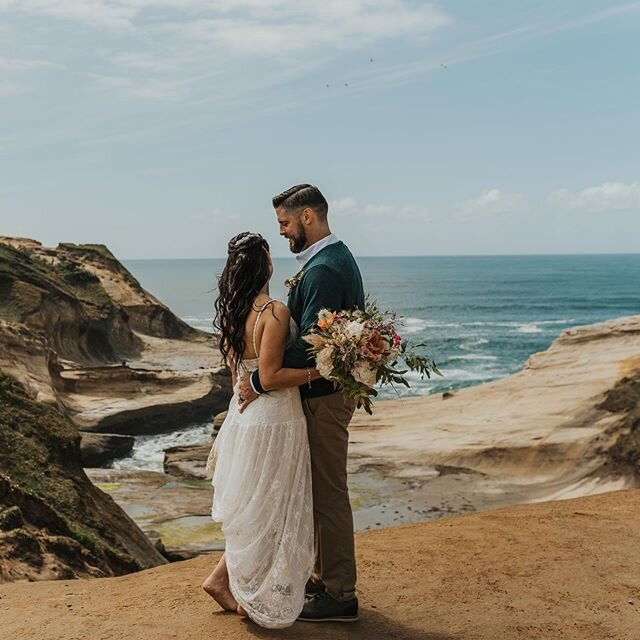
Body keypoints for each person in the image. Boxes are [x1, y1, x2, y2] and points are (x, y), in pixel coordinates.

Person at [238, 184, 365, 623]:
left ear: (308, 217)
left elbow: (314, 346)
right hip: (322, 395)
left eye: (286, 224)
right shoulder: (330, 259)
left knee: (328, 494)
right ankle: (322, 577)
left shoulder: (324, 270)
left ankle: (340, 595)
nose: (283, 232)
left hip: (322, 399)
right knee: (317, 491)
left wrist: (260, 377)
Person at [201, 231, 322, 629]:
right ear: (266, 264)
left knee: (258, 508)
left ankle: (222, 580)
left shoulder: (234, 312)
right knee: (270, 510)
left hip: (243, 418)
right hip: (274, 421)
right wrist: (320, 370)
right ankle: (236, 586)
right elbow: (269, 376)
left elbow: (243, 373)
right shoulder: (273, 313)